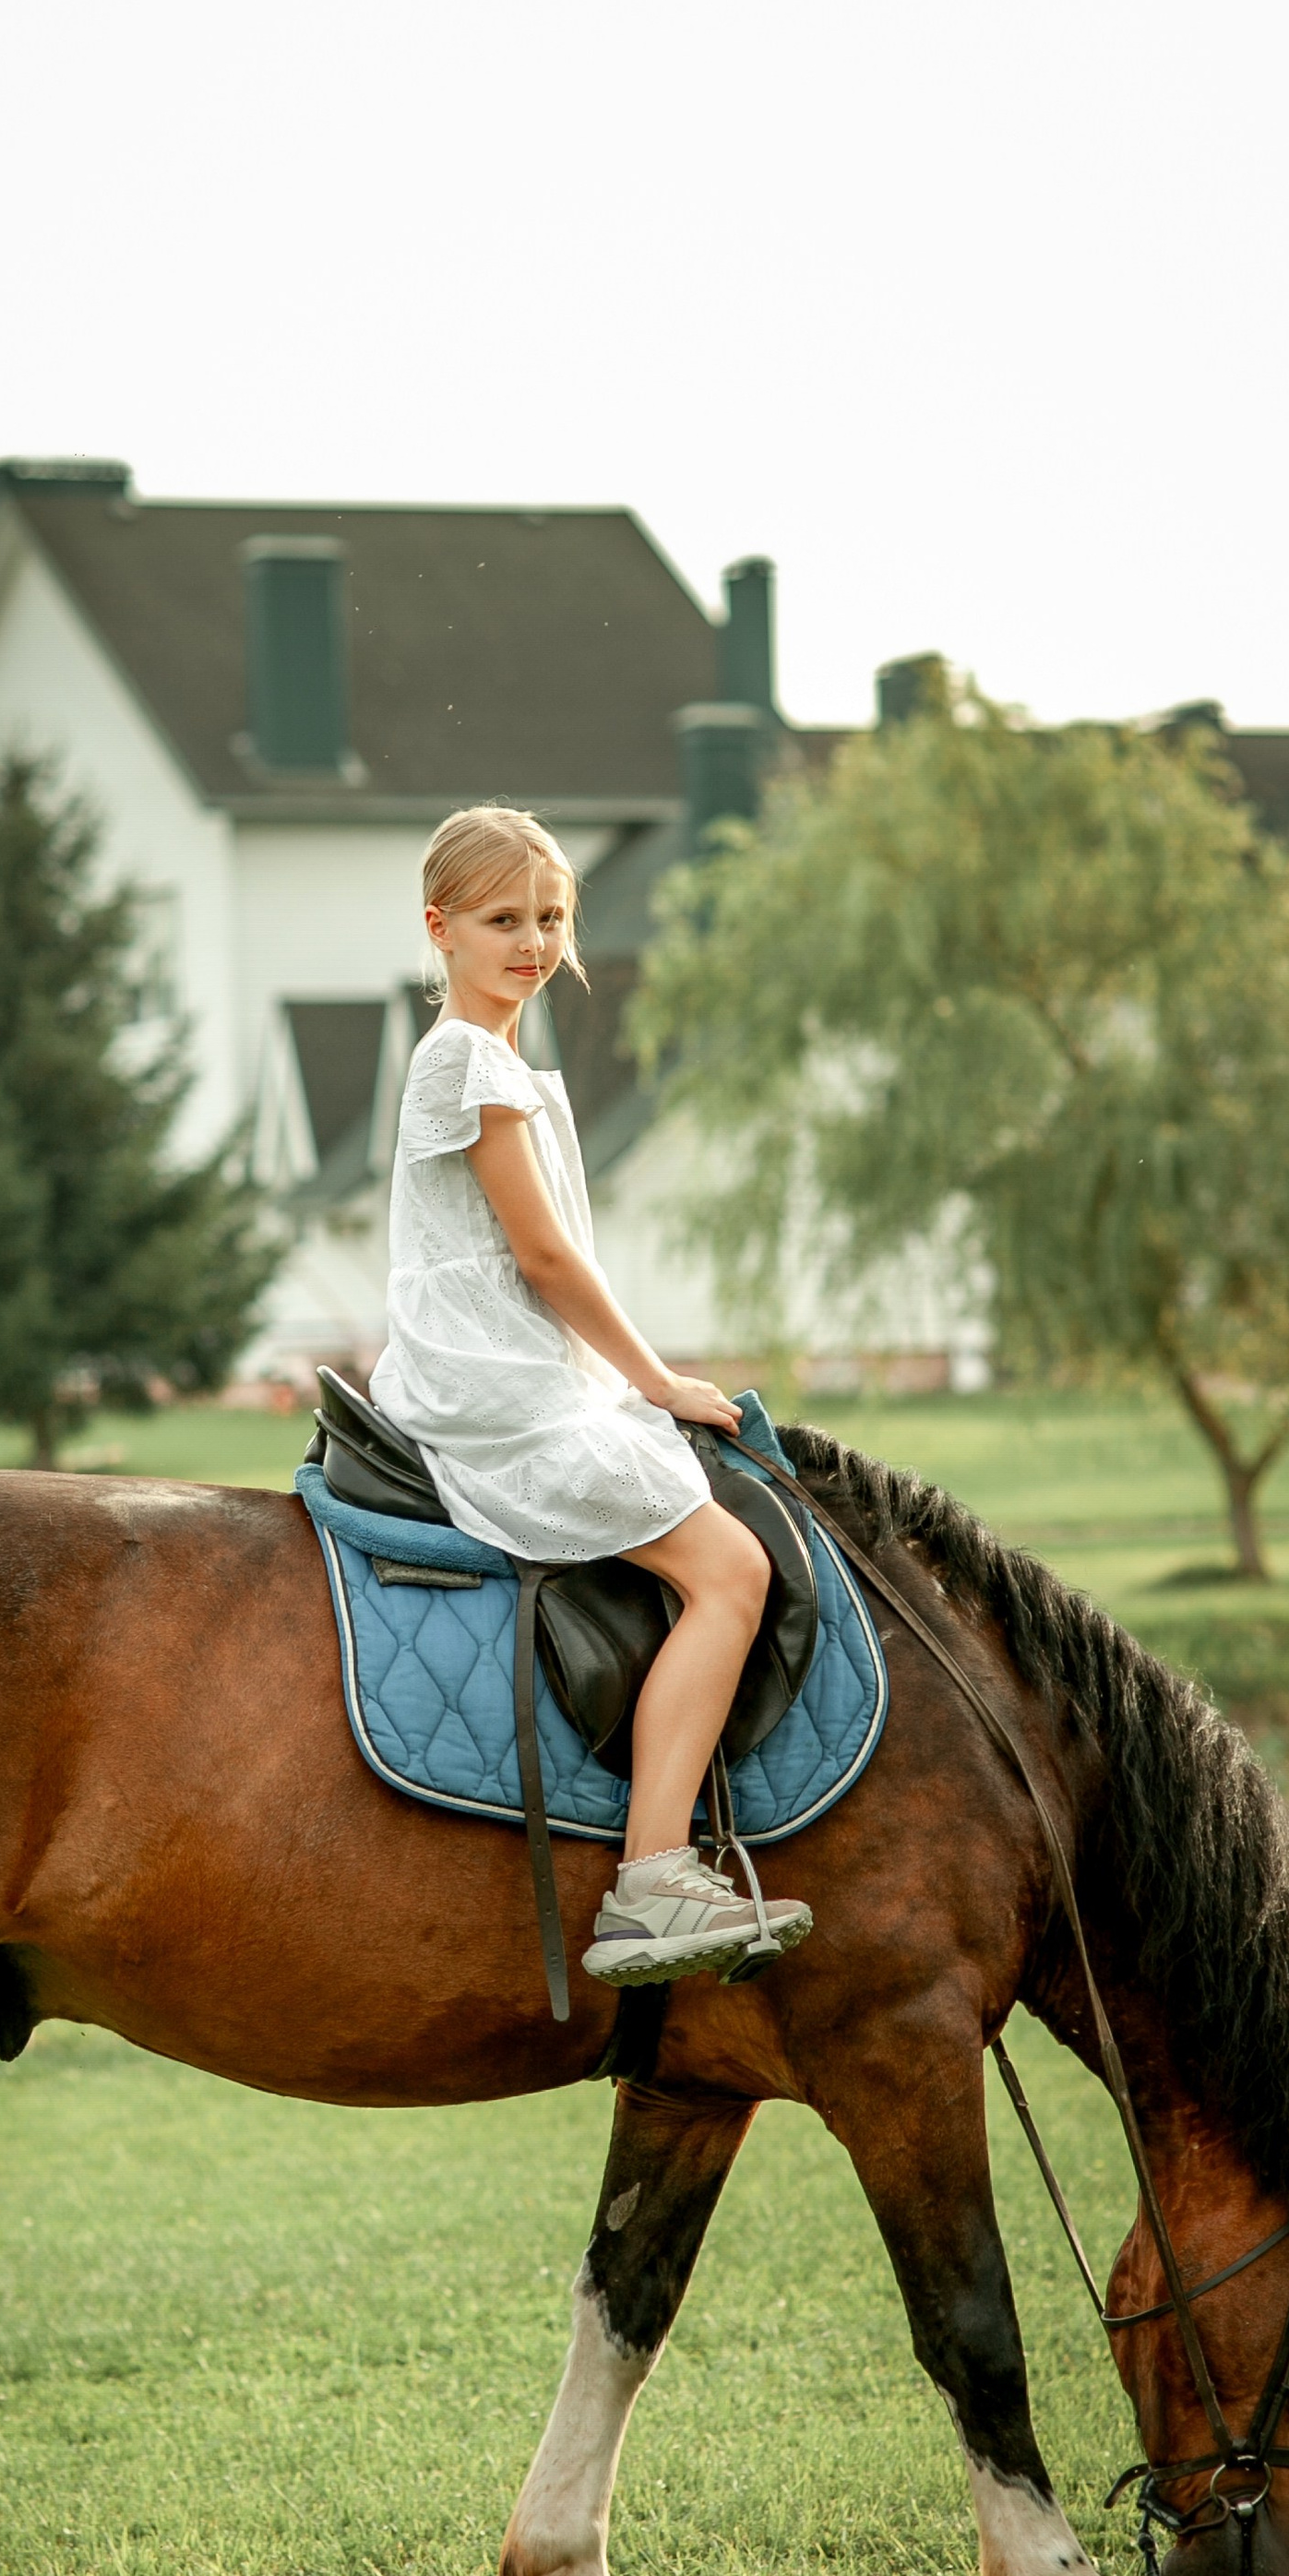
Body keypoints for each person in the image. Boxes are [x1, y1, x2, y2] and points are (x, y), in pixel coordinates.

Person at [369, 805, 812, 1987]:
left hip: (518, 1364)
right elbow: (545, 1259)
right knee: (731, 1571)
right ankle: (651, 1876)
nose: (530, 941)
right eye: (501, 919)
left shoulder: (501, 1060)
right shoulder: (465, 1058)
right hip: (496, 1383)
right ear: (441, 929)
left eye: (549, 918)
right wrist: (652, 1377)